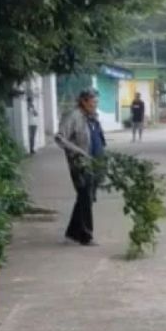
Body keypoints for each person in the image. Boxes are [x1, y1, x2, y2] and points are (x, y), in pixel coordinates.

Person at [54, 89, 106, 246]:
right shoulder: (73, 116)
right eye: (93, 102)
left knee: (86, 198)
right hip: (80, 164)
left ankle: (72, 233)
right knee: (85, 197)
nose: (95, 105)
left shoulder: (92, 117)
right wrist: (78, 152)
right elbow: (59, 138)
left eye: (96, 102)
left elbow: (98, 137)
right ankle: (86, 236)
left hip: (95, 162)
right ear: (83, 101)